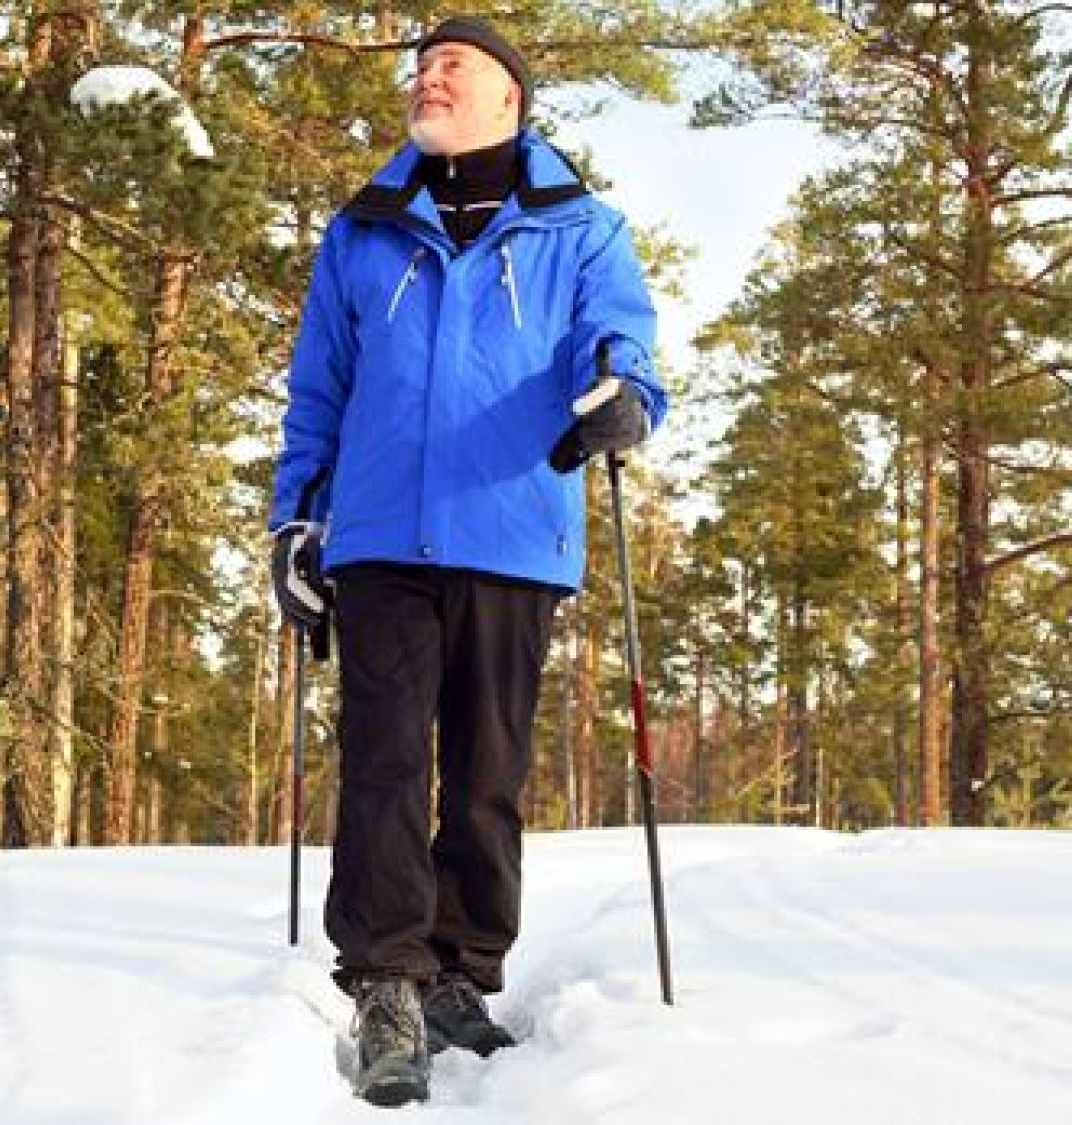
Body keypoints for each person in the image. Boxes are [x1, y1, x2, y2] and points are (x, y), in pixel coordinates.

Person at [268, 16, 666, 1107]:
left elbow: (621, 344)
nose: (426, 78)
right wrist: (293, 523)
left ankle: (463, 971)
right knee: (384, 759)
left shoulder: (579, 229)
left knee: (486, 775)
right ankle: (387, 976)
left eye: (452, 66)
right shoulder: (361, 230)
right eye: (419, 66)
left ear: (508, 100)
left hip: (509, 528)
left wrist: (624, 399)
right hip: (382, 534)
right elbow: (319, 393)